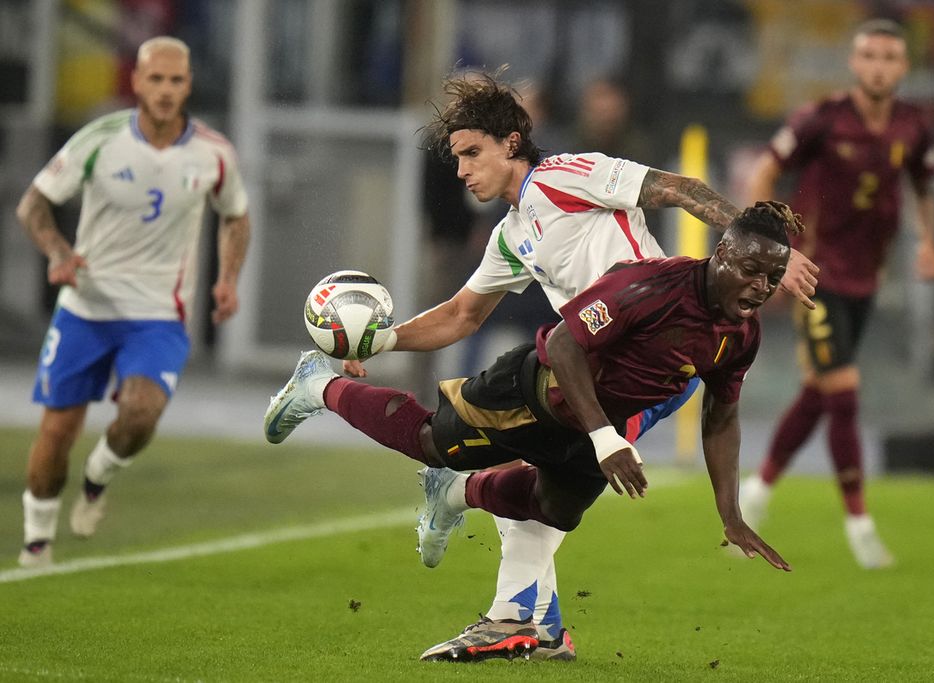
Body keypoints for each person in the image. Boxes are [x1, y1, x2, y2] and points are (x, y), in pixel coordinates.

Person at [266, 67, 818, 662]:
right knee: (551, 498)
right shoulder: (510, 235)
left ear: (511, 144)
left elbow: (679, 188)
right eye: (457, 157)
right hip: (585, 370)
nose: (462, 170)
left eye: (472, 153)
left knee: (553, 489)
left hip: (645, 361)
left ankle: (487, 555)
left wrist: (765, 254)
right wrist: (371, 342)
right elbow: (460, 317)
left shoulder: (567, 175)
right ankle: (524, 616)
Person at [15, 36, 251, 567]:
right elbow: (33, 205)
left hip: (158, 315)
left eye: (176, 80)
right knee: (56, 433)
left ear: (188, 85)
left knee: (140, 414)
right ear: (138, 82)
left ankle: (99, 475)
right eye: (155, 79)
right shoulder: (99, 139)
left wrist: (228, 278)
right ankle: (37, 544)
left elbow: (236, 214)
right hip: (85, 308)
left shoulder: (213, 152)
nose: (165, 90)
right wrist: (57, 249)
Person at [737, 19, 934, 569]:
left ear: (903, 67)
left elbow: (924, 185)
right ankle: (859, 522)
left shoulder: (912, 126)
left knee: (819, 391)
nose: (878, 66)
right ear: (855, 63)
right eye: (870, 55)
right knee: (844, 389)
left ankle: (755, 494)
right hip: (816, 276)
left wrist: (927, 241)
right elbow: (765, 171)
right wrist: (770, 249)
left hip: (866, 279)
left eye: (890, 57)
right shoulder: (822, 119)